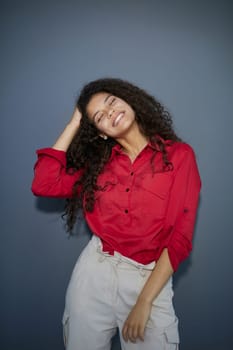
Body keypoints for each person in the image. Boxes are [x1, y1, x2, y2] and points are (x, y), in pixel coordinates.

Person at [31, 77, 201, 350]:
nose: (110, 112)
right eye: (99, 116)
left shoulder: (179, 156)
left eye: (111, 101)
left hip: (148, 277)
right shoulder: (97, 166)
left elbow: (180, 237)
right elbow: (43, 183)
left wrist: (144, 301)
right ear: (100, 132)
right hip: (95, 272)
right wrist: (75, 122)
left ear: (127, 99)